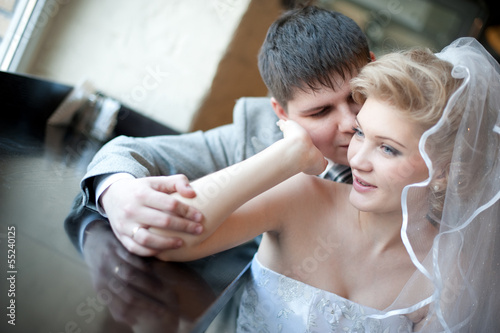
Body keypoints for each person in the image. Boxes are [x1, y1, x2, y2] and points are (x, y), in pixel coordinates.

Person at [147, 38, 500, 331]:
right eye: (362, 133)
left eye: (388, 149)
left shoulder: (451, 271)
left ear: (443, 172)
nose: (358, 159)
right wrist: (286, 156)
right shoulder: (301, 195)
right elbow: (163, 237)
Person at [80, 5, 373, 257]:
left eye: (357, 94)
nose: (350, 122)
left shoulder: (417, 129)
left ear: (374, 66)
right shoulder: (254, 136)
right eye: (320, 112)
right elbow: (125, 151)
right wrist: (117, 192)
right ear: (281, 113)